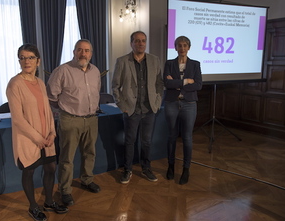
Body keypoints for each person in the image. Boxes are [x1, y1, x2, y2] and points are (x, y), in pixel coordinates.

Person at [6, 43, 68, 221]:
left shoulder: (40, 82)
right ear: (19, 61)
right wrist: (38, 138)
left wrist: (51, 133)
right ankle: (33, 207)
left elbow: (47, 111)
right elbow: (17, 119)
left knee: (50, 168)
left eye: (30, 57)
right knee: (29, 171)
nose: (26, 61)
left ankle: (48, 202)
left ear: (38, 61)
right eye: (22, 57)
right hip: (28, 139)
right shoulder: (14, 84)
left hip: (46, 138)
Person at [47, 39, 101, 206]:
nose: (83, 53)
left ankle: (86, 180)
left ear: (91, 54)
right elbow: (51, 96)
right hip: (70, 120)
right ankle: (65, 190)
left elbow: (96, 92)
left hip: (91, 119)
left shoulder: (96, 71)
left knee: (89, 154)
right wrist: (66, 109)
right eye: (79, 50)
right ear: (74, 52)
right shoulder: (62, 70)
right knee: (67, 158)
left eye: (86, 50)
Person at [112, 31, 164, 184]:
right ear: (131, 43)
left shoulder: (154, 60)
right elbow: (115, 86)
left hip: (149, 109)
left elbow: (159, 84)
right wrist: (122, 106)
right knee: (130, 141)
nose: (141, 43)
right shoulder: (122, 61)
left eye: (143, 41)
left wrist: (158, 101)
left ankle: (146, 168)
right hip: (131, 109)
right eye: (137, 41)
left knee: (147, 141)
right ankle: (128, 170)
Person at [163, 36, 202, 185]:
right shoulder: (169, 63)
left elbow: (198, 85)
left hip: (189, 104)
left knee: (187, 138)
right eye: (179, 45)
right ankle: (171, 166)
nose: (182, 48)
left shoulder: (195, 64)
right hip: (172, 103)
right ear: (175, 47)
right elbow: (166, 83)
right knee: (172, 136)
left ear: (189, 47)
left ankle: (186, 169)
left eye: (185, 45)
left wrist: (176, 83)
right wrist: (186, 81)